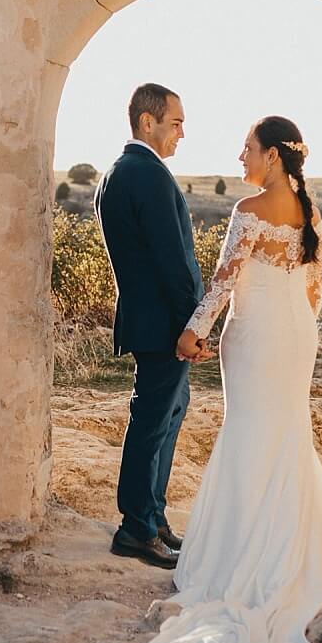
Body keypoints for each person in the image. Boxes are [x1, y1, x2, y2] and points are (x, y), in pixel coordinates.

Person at [143, 115, 322, 643]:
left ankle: (241, 557)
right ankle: (291, 550)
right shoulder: (312, 214)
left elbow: (225, 281)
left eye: (248, 149)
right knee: (285, 432)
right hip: (295, 336)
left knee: (250, 435)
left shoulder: (249, 212)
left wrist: (192, 332)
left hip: (256, 333)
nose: (241, 157)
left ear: (274, 158)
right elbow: (313, 290)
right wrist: (297, 333)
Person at [94, 83, 213, 570]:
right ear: (149, 122)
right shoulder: (150, 176)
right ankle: (135, 529)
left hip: (147, 319)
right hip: (164, 323)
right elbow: (174, 261)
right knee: (151, 423)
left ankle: (153, 518)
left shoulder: (116, 174)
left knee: (165, 416)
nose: (183, 132)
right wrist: (195, 323)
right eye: (176, 122)